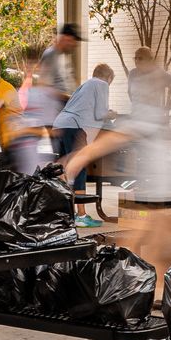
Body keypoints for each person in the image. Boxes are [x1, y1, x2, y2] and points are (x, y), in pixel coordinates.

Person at [54, 63, 114, 225]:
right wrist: (112, 114)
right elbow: (100, 112)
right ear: (108, 78)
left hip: (59, 125)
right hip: (75, 127)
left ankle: (68, 215)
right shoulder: (101, 84)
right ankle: (81, 215)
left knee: (65, 170)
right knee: (79, 169)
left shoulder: (85, 85)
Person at [126, 48, 171, 127]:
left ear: (150, 60)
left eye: (140, 58)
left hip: (153, 121)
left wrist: (167, 108)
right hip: (136, 118)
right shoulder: (132, 73)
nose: (137, 60)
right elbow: (129, 92)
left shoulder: (158, 74)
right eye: (135, 58)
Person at [39, 23, 80, 105]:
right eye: (72, 41)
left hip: (67, 108)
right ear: (65, 38)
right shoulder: (50, 55)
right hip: (55, 110)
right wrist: (69, 98)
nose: (75, 45)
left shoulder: (64, 56)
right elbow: (44, 86)